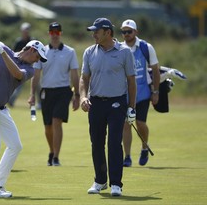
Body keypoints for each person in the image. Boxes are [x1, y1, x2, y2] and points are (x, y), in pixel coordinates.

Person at [0, 0, 47, 198]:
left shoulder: (28, 69)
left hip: (1, 109)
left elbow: (16, 74)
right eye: (38, 57)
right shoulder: (1, 49)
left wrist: (3, 52)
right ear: (31, 50)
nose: (38, 62)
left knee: (15, 145)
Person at [79, 18, 136, 196]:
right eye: (93, 31)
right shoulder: (89, 52)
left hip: (117, 103)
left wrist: (131, 108)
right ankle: (100, 180)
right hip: (95, 103)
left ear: (108, 32)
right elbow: (84, 78)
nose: (93, 34)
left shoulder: (124, 52)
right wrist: (82, 97)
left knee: (114, 143)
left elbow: (131, 81)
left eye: (96, 31)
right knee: (96, 143)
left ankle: (116, 184)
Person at [28, 22, 80, 166]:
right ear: (49, 33)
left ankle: (56, 156)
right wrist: (32, 94)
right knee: (48, 126)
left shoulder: (70, 52)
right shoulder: (42, 51)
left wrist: (77, 96)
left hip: (63, 91)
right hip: (46, 92)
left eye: (57, 32)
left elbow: (75, 74)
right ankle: (52, 151)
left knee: (57, 121)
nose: (55, 35)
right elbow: (36, 74)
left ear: (60, 33)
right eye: (52, 32)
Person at [120, 19, 160, 167]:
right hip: (125, 93)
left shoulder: (145, 47)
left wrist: (155, 91)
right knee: (126, 124)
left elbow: (155, 69)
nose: (126, 34)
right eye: (124, 32)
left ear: (135, 32)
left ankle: (144, 147)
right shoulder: (119, 48)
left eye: (129, 31)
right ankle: (127, 157)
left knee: (140, 123)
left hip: (142, 92)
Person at [8, 22, 41, 108]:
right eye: (24, 31)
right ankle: (10, 101)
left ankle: (40, 103)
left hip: (31, 67)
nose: (25, 32)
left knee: (37, 84)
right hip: (20, 67)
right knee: (18, 86)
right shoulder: (19, 42)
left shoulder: (33, 41)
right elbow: (14, 54)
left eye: (27, 31)